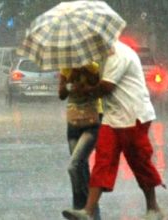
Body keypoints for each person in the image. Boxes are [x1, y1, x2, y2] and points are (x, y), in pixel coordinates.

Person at [62, 40, 165, 220]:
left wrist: (84, 90)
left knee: (139, 161)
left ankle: (153, 207)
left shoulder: (119, 55)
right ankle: (88, 211)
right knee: (103, 160)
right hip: (113, 117)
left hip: (133, 115)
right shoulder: (103, 57)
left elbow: (105, 87)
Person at [59, 62, 103, 220]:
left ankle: (86, 210)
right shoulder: (65, 68)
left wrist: (84, 75)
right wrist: (70, 79)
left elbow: (97, 90)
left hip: (91, 122)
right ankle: (85, 211)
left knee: (74, 166)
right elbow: (61, 94)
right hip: (73, 123)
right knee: (80, 169)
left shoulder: (93, 67)